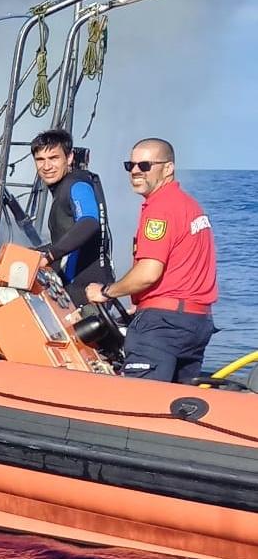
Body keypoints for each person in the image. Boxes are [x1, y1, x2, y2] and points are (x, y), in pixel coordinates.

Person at [86, 138, 217, 383]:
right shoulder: (190, 206)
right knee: (176, 404)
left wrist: (106, 292)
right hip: (196, 323)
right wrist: (144, 303)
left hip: (163, 327)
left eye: (145, 165)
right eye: (130, 165)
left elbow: (148, 272)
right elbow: (183, 268)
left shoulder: (160, 209)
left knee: (139, 402)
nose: (135, 171)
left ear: (168, 168)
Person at [29, 129, 114, 305]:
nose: (46, 166)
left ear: (69, 158)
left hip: (87, 292)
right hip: (78, 288)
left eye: (54, 158)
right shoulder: (69, 185)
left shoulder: (77, 184)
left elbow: (89, 221)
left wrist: (49, 255)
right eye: (40, 160)